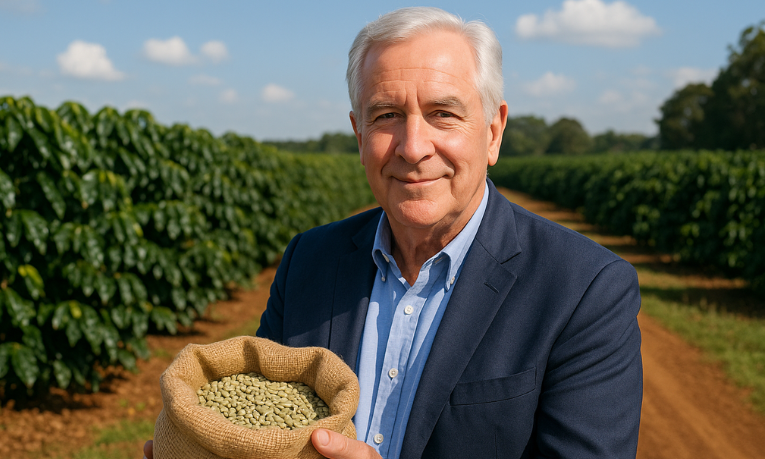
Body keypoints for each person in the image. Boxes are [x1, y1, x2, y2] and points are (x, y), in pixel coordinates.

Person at [145, 6, 642, 459]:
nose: (413, 146)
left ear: (493, 131)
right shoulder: (309, 260)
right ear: (359, 135)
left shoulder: (585, 289)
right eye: (386, 116)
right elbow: (260, 425)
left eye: (443, 114)